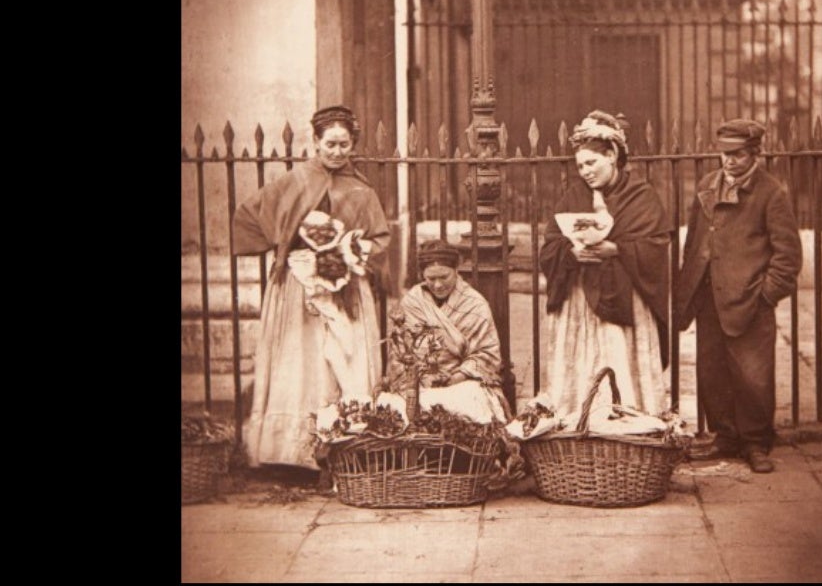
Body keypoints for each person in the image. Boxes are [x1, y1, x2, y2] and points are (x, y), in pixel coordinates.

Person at [232, 105, 391, 472]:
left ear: (353, 145)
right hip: (297, 288)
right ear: (315, 141)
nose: (337, 152)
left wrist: (350, 250)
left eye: (344, 144)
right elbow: (249, 215)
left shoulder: (361, 191)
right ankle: (291, 451)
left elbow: (380, 238)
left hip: (345, 287)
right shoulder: (295, 181)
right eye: (330, 144)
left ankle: (344, 445)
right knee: (299, 359)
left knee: (343, 359)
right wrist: (287, 246)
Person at [674, 118, 802, 473]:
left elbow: (788, 256)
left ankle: (755, 443)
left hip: (750, 301)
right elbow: (693, 243)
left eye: (737, 155)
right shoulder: (707, 186)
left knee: (753, 376)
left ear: (755, 154)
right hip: (709, 296)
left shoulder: (771, 193)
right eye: (724, 154)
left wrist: (765, 296)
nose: (728, 162)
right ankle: (725, 436)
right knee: (712, 372)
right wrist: (689, 288)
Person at [539, 110, 671, 416]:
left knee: (619, 361)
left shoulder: (642, 196)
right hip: (580, 302)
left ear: (612, 155)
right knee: (583, 366)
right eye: (580, 166)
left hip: (626, 301)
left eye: (591, 163)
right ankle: (579, 420)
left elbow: (655, 247)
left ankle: (630, 419)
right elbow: (550, 245)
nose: (585, 172)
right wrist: (570, 254)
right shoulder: (573, 196)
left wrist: (618, 249)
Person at [388, 239, 510, 423]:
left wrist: (454, 378)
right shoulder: (413, 301)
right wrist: (416, 378)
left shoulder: (474, 304)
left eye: (444, 277)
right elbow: (399, 352)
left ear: (456, 271)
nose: (437, 285)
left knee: (469, 404)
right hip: (418, 383)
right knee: (397, 408)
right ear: (422, 275)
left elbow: (487, 355)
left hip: (460, 383)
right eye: (431, 278)